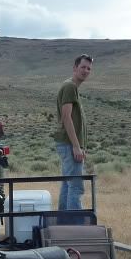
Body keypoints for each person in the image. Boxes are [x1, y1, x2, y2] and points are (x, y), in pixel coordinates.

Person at [53, 54, 92, 211]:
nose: (86, 71)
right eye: (83, 67)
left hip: (69, 144)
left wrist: (81, 146)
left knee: (67, 186)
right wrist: (76, 146)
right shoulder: (69, 86)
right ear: (75, 68)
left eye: (89, 68)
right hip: (69, 145)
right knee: (76, 187)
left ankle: (62, 225)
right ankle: (75, 227)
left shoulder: (71, 87)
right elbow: (66, 117)